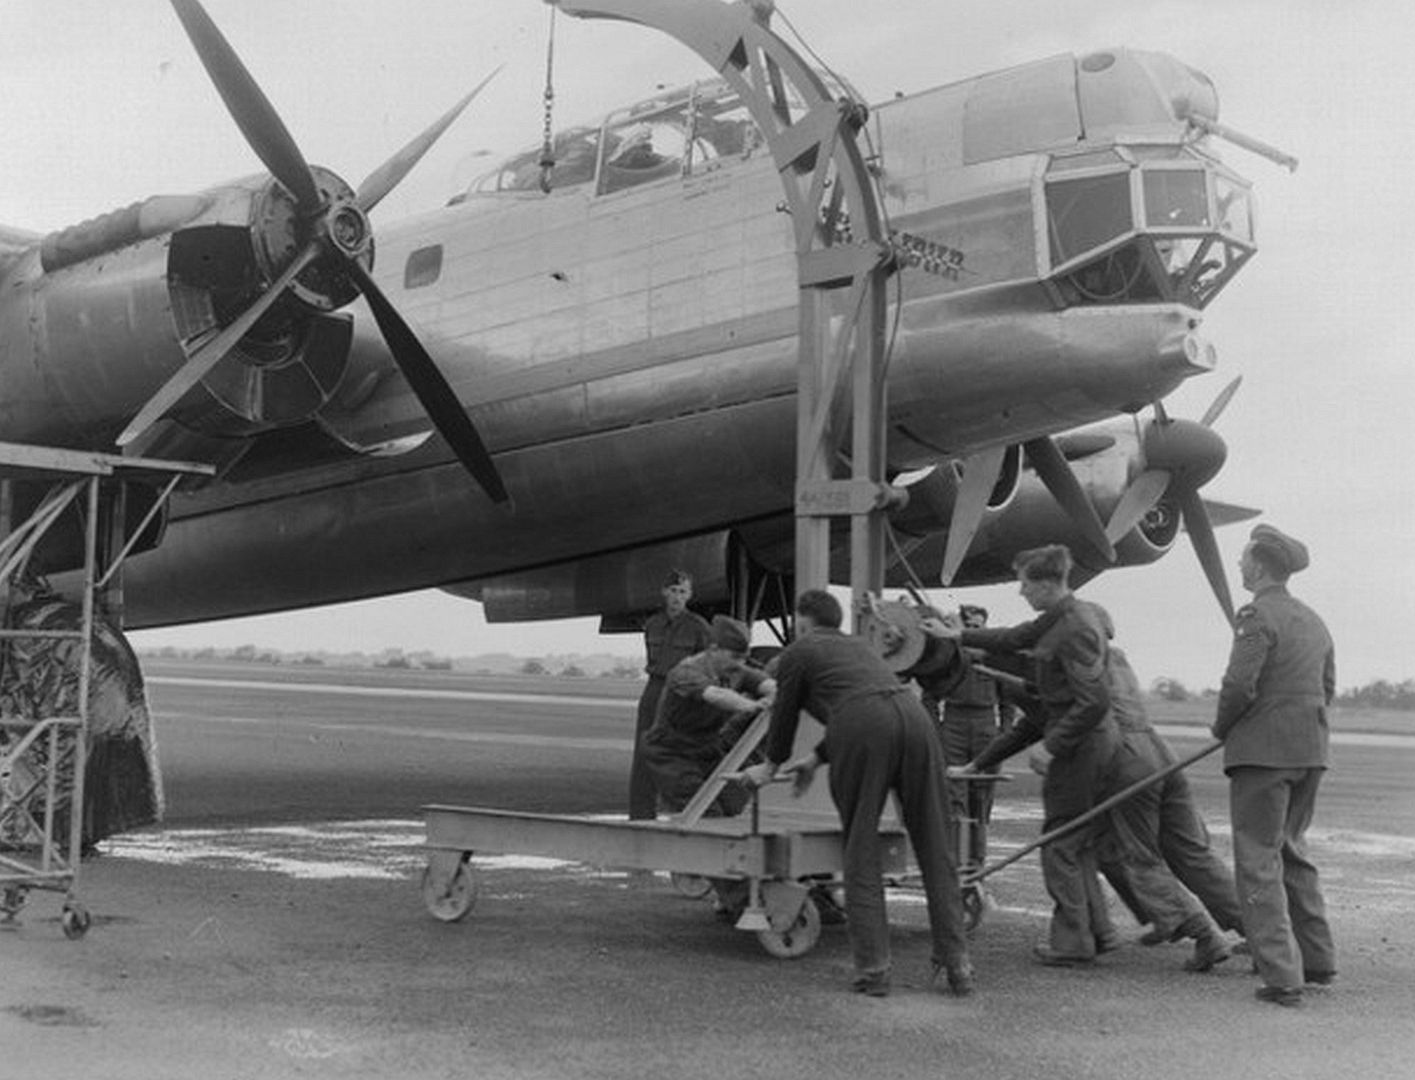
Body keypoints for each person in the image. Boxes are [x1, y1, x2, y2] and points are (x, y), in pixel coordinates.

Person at [742, 590, 973, 999]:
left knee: (861, 847)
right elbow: (867, 701)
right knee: (935, 845)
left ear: (802, 621)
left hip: (865, 726)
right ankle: (957, 963)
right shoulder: (859, 648)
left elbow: (789, 713)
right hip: (915, 720)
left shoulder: (800, 651)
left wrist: (771, 765)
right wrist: (817, 758)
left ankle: (874, 969)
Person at [937, 544, 1122, 967]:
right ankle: (1098, 931)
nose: (1021, 592)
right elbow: (1013, 638)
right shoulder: (1058, 618)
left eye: (1025, 584)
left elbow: (1093, 702)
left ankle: (1073, 943)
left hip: (1081, 746)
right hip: (1082, 741)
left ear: (1046, 584)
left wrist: (1052, 745)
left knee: (1059, 843)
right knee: (1075, 839)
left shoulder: (1075, 628)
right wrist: (958, 636)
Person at [1211, 524, 1336, 1008]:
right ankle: (1317, 960)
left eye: (1244, 559)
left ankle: (1282, 976)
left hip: (1263, 754)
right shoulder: (1314, 620)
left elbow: (1239, 685)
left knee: (1258, 859)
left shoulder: (1256, 614)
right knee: (1292, 851)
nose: (1239, 566)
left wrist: (1223, 728)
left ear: (1260, 567)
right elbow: (1327, 687)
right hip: (1311, 751)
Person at [640, 615, 775, 818]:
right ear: (713, 650)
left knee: (735, 804)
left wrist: (779, 695)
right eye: (734, 657)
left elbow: (767, 685)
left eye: (743, 658)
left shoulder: (737, 670)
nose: (740, 664)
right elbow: (715, 695)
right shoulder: (686, 672)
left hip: (707, 751)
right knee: (702, 812)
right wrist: (751, 706)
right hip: (672, 753)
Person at [629, 570, 711, 820]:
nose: (677, 597)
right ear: (664, 592)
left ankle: (686, 812)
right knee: (644, 752)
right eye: (673, 591)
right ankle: (640, 816)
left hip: (682, 693)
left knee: (681, 753)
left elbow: (707, 664)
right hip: (654, 689)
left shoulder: (699, 627)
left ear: (690, 595)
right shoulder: (652, 625)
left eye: (682, 592)